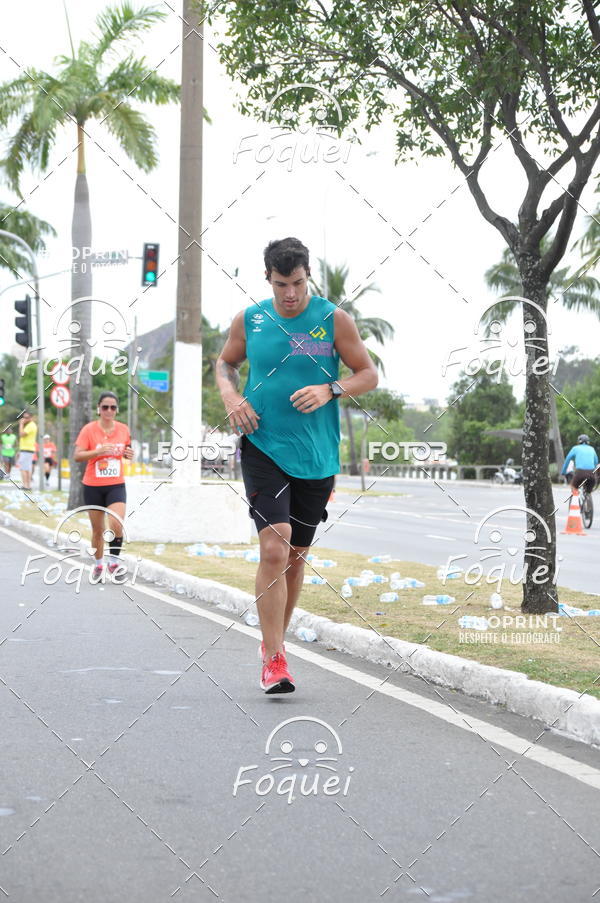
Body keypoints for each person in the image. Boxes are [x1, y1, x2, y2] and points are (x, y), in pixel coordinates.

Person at [216, 237, 378, 694]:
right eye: (282, 284)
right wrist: (230, 396)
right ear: (268, 278)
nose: (291, 294)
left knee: (295, 557)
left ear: (309, 276)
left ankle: (276, 644)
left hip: (317, 455)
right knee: (275, 546)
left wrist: (331, 389)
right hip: (262, 444)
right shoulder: (250, 320)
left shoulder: (334, 320)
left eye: (299, 283)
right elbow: (226, 363)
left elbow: (368, 374)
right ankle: (274, 660)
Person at [73, 391, 134, 580]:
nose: (109, 410)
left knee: (116, 523)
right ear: (99, 409)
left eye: (113, 407)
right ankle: (99, 565)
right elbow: (77, 456)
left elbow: (127, 451)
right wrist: (97, 452)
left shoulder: (123, 429)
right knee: (98, 530)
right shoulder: (89, 430)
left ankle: (113, 563)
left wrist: (129, 454)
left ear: (117, 410)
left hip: (116, 484)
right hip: (93, 485)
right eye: (105, 407)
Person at [17, 411, 37, 489]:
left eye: (27, 418)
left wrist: (21, 424)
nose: (24, 419)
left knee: (23, 468)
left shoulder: (31, 425)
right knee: (27, 469)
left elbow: (21, 434)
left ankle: (26, 486)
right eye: (24, 417)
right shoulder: (30, 425)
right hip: (27, 449)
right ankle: (28, 485)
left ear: (31, 418)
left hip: (26, 449)